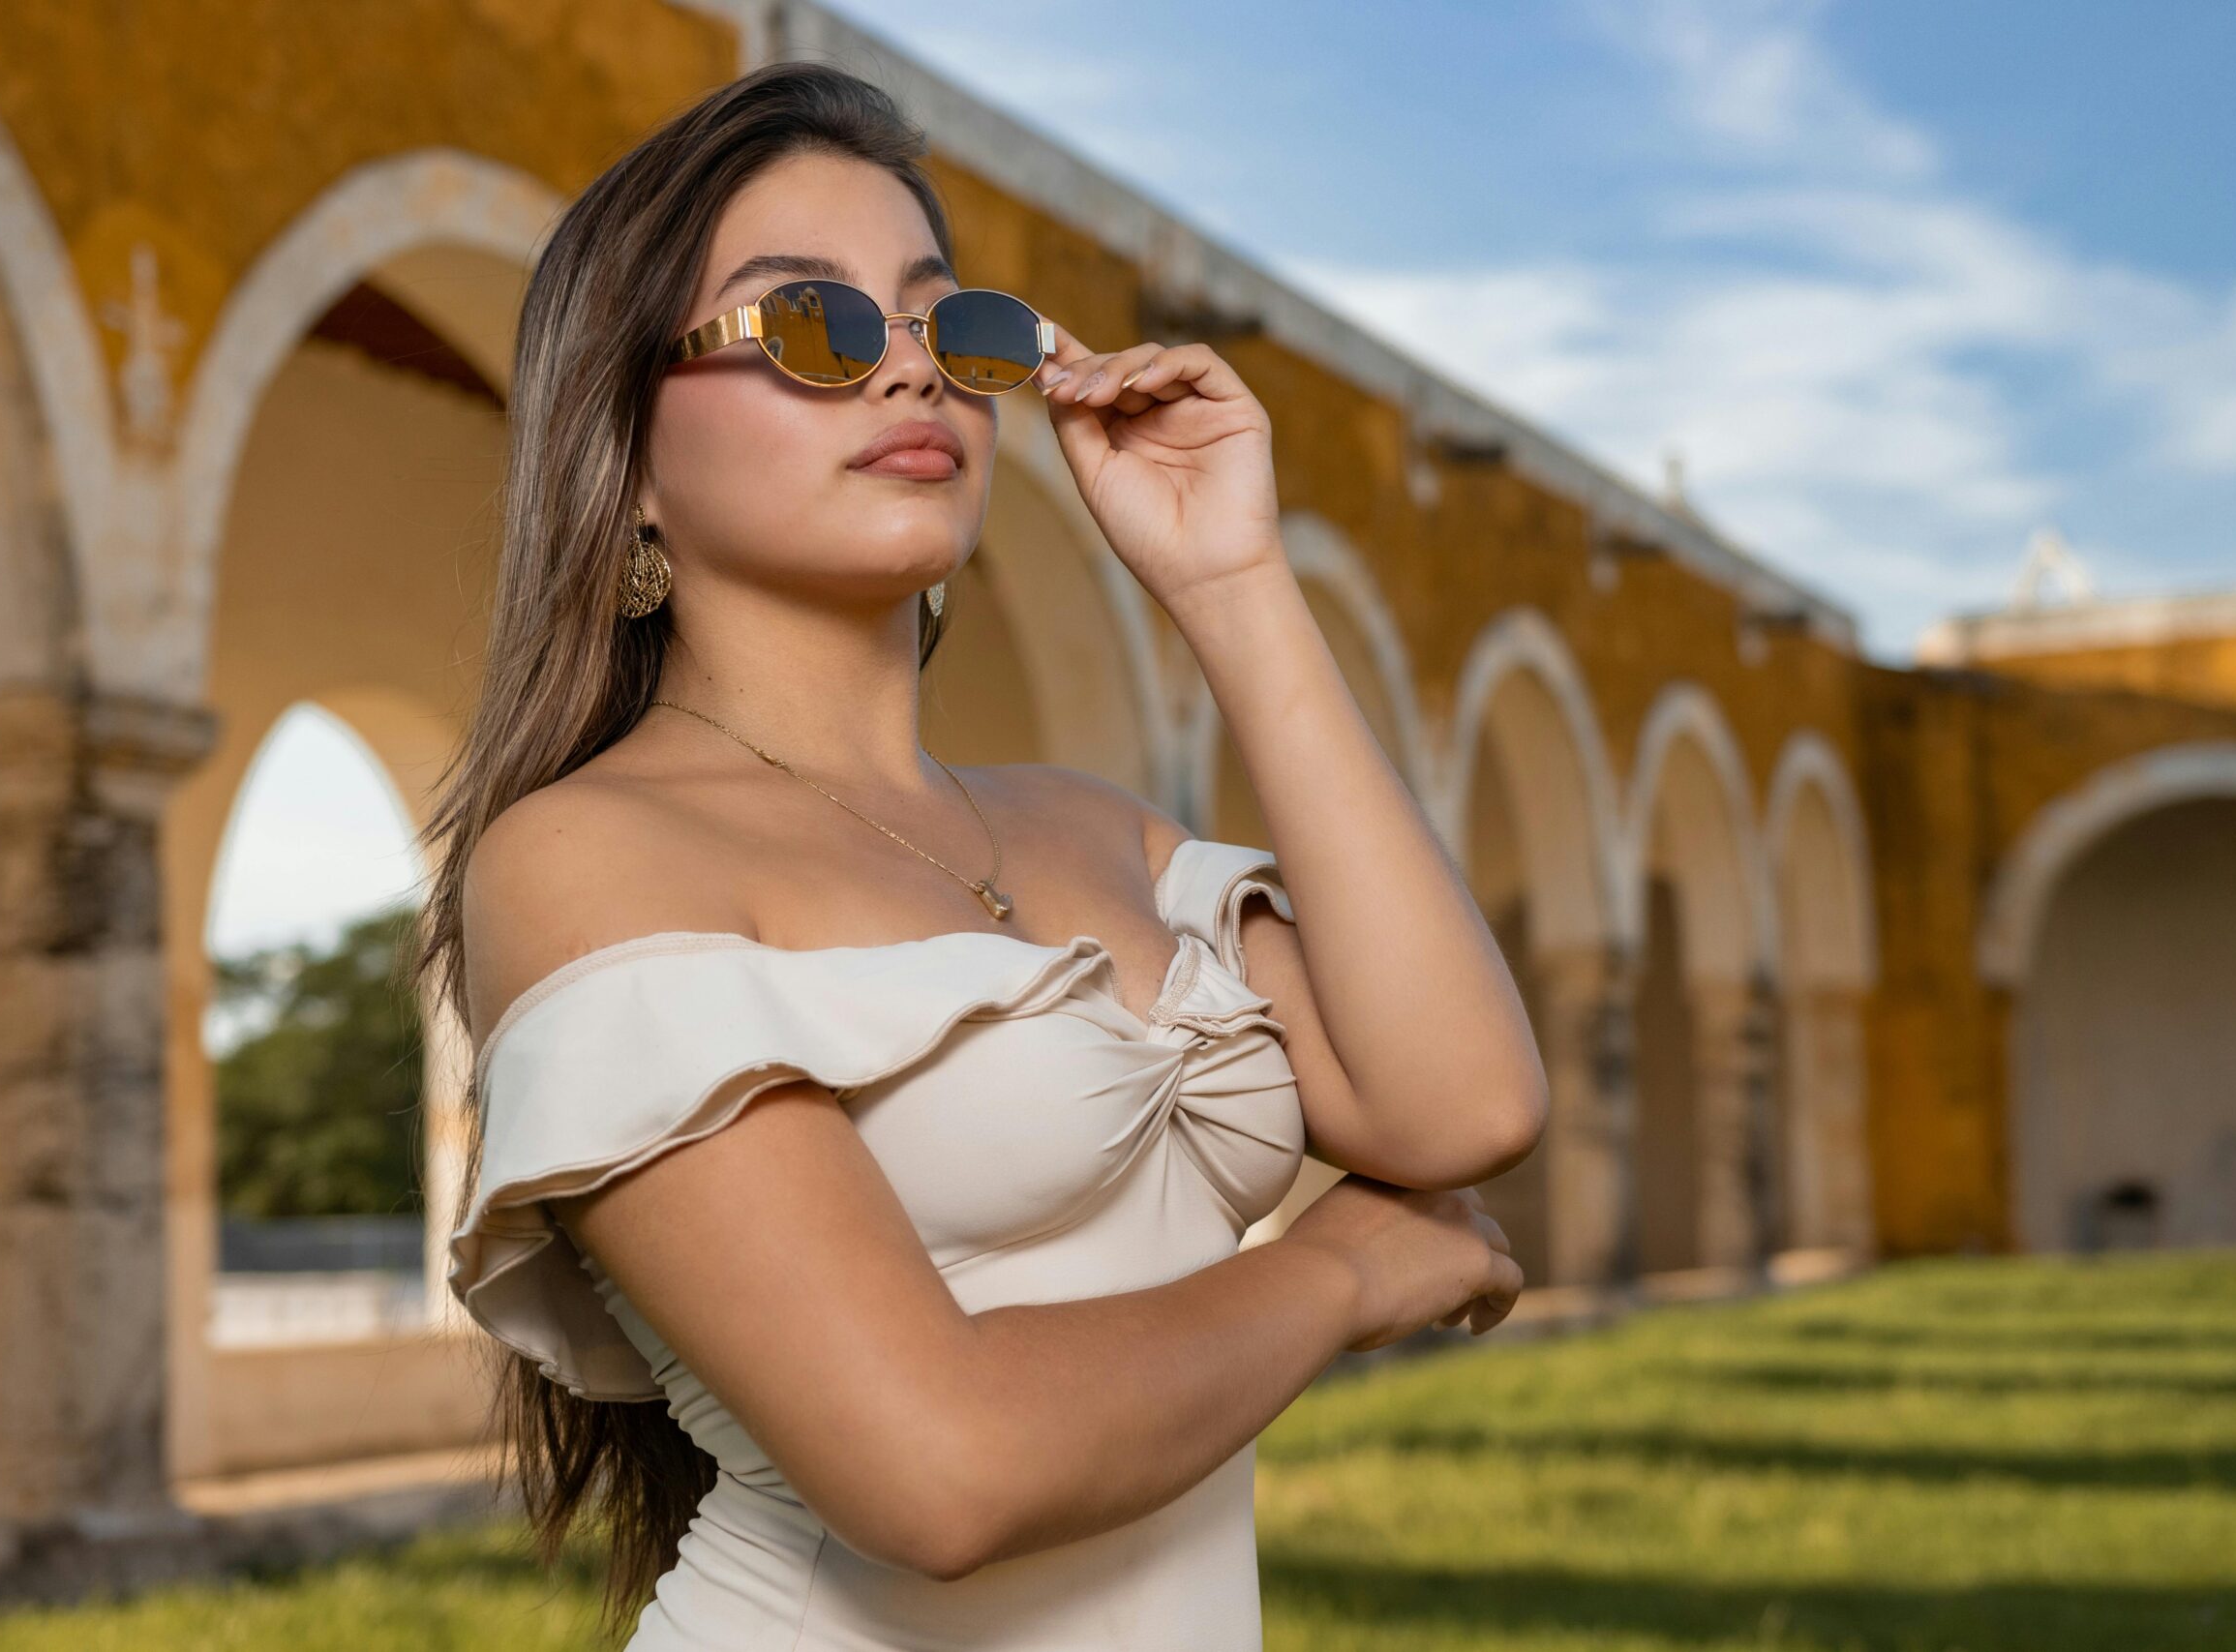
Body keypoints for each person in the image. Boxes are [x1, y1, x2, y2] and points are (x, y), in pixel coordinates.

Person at [406, 58, 1548, 1651]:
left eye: (950, 327)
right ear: (633, 463)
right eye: (813, 325)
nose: (911, 375)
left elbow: (1465, 1105)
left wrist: (1230, 583)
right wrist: (1344, 1275)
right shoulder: (589, 859)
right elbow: (938, 1471)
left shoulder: (1097, 828)